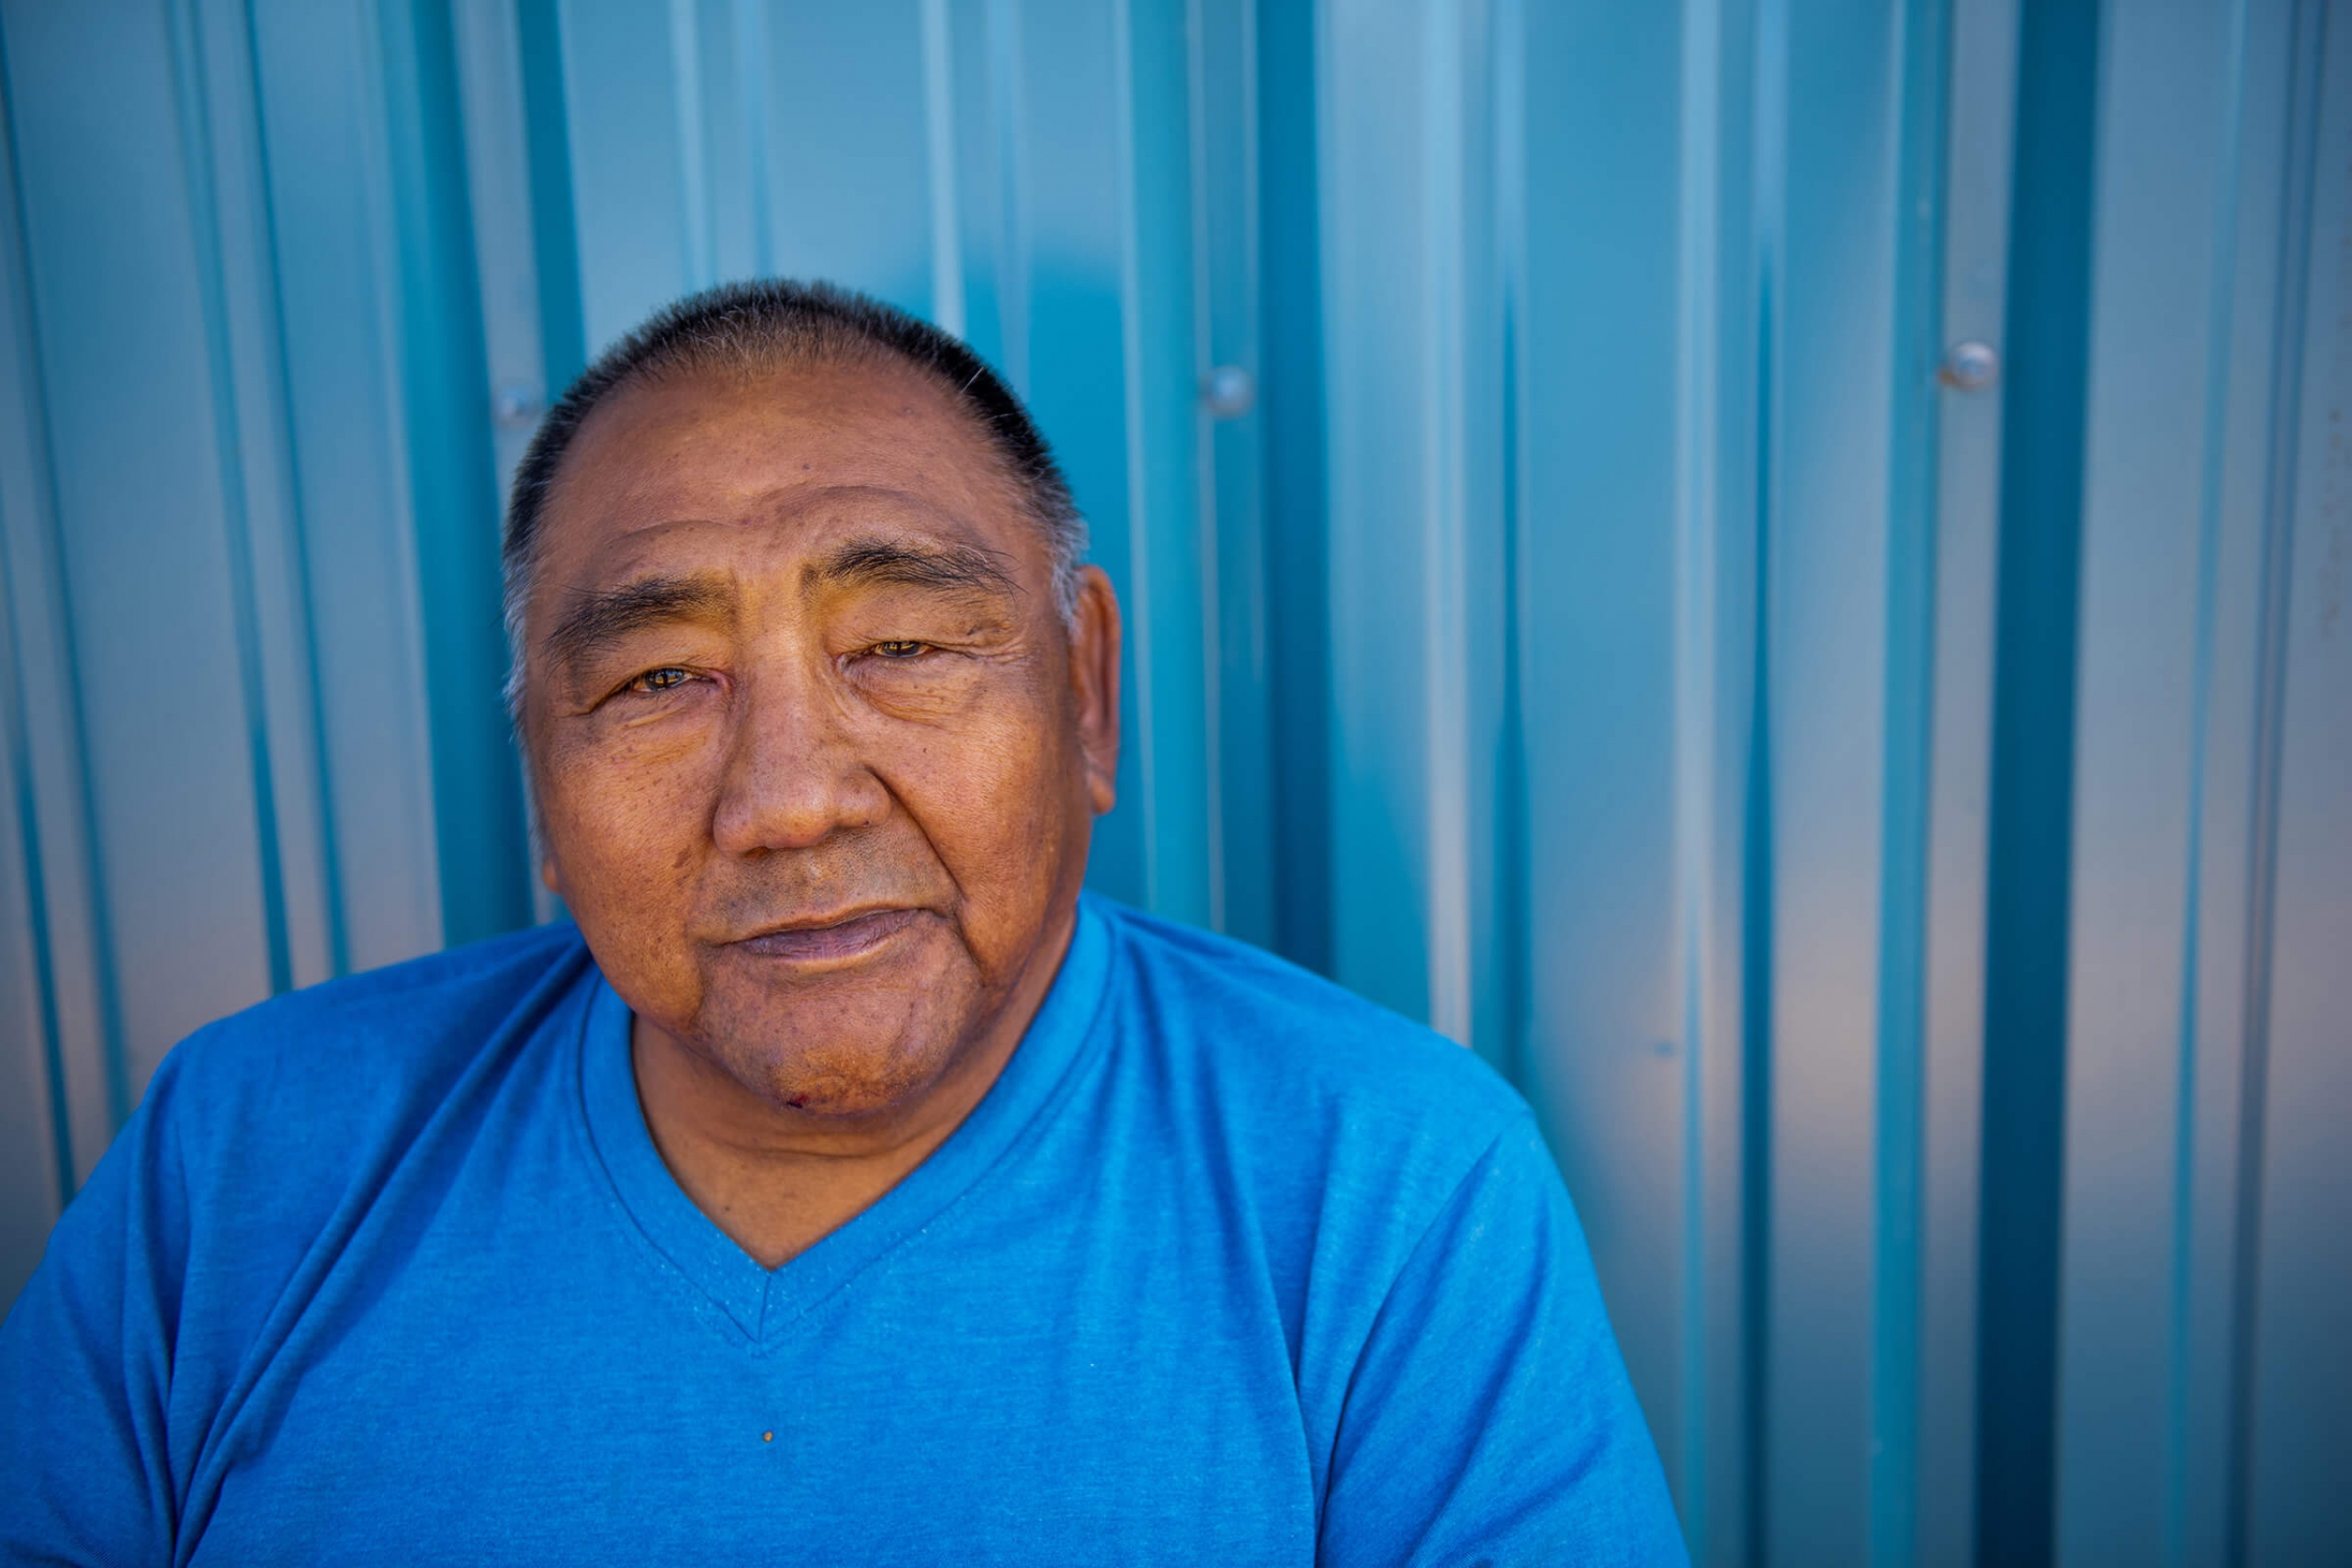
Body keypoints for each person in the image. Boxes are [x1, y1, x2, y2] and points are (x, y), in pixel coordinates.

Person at [0, 280, 1685, 1564]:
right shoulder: (242, 1160)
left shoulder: (1389, 1188)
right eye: (660, 679)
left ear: (1086, 698)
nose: (791, 796)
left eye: (904, 645)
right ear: (539, 781)